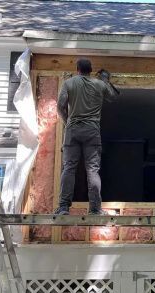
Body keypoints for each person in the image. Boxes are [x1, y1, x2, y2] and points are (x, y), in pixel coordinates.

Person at [54, 58, 119, 215]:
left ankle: (63, 207)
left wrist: (67, 122)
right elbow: (113, 97)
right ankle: (95, 209)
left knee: (69, 167)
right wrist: (105, 79)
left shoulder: (69, 83)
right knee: (92, 170)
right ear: (91, 70)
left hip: (73, 130)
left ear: (77, 69)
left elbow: (60, 106)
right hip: (92, 131)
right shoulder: (99, 84)